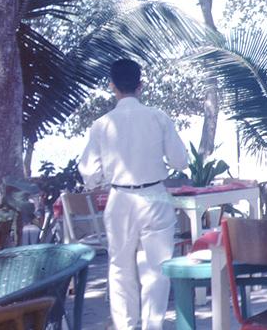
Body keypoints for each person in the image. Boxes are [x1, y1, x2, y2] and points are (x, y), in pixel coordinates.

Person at [78, 59, 188, 330]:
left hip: (120, 198)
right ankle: (153, 327)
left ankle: (125, 326)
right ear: (141, 86)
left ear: (112, 86)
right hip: (155, 196)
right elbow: (180, 161)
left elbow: (89, 173)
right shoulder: (158, 117)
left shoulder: (101, 124)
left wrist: (105, 177)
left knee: (120, 268)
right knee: (157, 269)